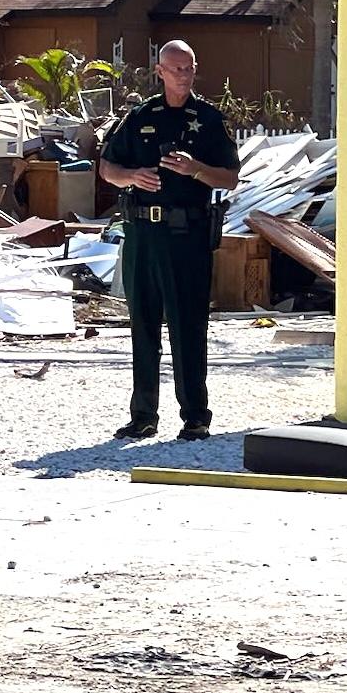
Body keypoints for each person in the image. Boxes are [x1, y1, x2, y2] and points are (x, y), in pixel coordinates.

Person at [98, 40, 239, 442]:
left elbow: (229, 178)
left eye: (189, 68)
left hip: (187, 234)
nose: (183, 75)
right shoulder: (141, 116)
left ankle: (195, 416)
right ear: (159, 71)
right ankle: (143, 415)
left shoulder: (208, 120)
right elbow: (107, 166)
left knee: (187, 326)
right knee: (142, 325)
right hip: (144, 232)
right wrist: (131, 177)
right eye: (175, 69)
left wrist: (196, 170)